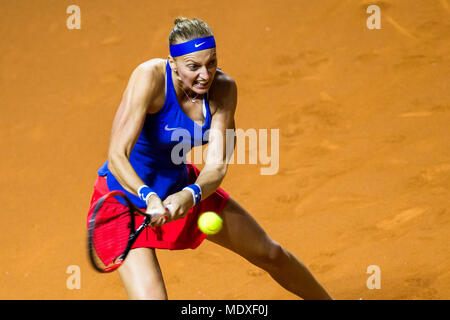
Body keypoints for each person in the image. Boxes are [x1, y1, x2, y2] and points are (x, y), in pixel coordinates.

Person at [86, 16, 332, 300]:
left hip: (179, 189)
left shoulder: (224, 89)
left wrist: (190, 195)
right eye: (193, 67)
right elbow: (117, 155)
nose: (205, 75)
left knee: (270, 253)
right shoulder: (150, 77)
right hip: (123, 199)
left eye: (211, 62)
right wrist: (148, 196)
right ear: (173, 64)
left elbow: (217, 165)